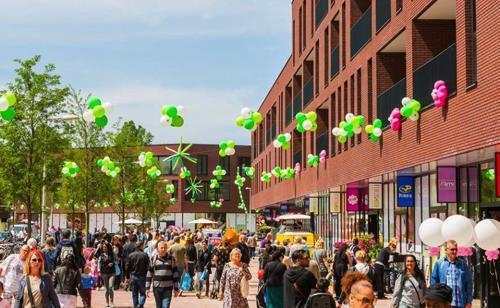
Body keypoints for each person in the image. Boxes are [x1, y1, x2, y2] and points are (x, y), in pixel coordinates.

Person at [430, 240, 472, 308]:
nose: (455, 251)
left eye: (456, 249)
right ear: (446, 250)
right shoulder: (439, 263)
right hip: (444, 303)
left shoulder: (462, 264)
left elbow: (468, 283)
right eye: (452, 249)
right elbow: (434, 283)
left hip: (460, 303)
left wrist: (469, 301)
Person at [146, 241, 179, 308]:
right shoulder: (153, 259)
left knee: (166, 306)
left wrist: (176, 288)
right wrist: (147, 288)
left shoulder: (172, 259)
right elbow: (149, 274)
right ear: (157, 249)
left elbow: (175, 274)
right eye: (161, 248)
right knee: (159, 306)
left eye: (165, 248)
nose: (163, 249)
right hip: (157, 288)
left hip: (168, 287)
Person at [125, 241, 150, 308]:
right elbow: (148, 267)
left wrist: (127, 277)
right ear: (141, 246)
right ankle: (141, 305)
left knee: (134, 293)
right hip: (142, 276)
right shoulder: (145, 255)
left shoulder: (131, 255)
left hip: (133, 276)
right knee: (142, 293)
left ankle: (136, 306)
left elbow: (127, 267)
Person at [98, 242, 116, 307]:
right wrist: (99, 271)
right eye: (103, 247)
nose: (104, 248)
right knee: (106, 288)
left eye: (105, 247)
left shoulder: (112, 254)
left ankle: (112, 302)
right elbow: (99, 264)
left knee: (111, 287)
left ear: (108, 247)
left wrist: (113, 263)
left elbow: (116, 260)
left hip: (112, 272)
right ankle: (107, 302)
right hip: (104, 273)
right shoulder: (101, 255)